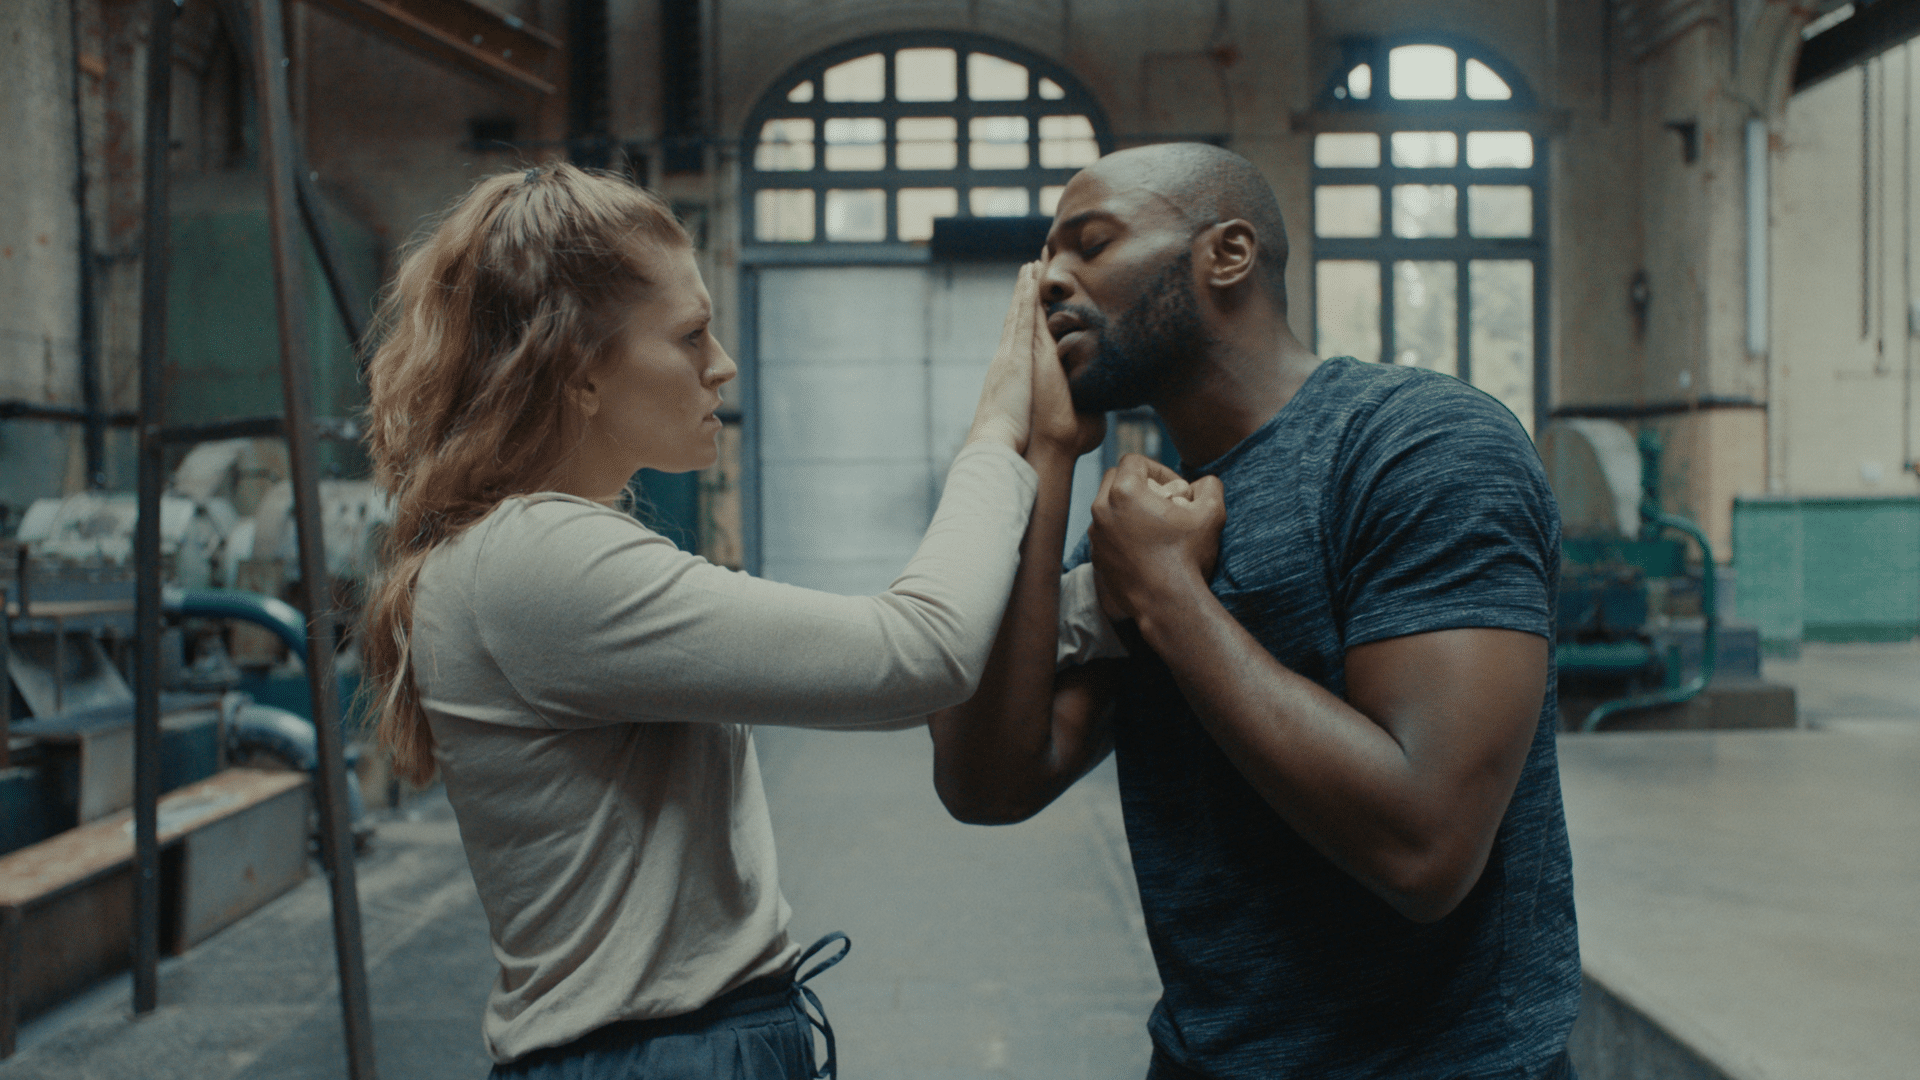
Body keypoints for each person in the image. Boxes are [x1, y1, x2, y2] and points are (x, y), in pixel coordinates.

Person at [356, 163, 1098, 1079]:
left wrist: (1106, 602)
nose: (723, 364)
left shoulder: (537, 549)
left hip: (677, 1044)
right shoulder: (536, 558)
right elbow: (920, 654)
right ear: (580, 371)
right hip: (655, 1057)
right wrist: (997, 430)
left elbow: (918, 639)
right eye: (690, 335)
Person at [930, 143, 1581, 1079]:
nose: (1048, 283)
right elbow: (987, 782)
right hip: (1201, 1061)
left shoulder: (1418, 445)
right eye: (1044, 258)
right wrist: (1045, 454)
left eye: (1091, 243)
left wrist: (1168, 594)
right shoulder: (1147, 518)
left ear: (1227, 254)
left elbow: (1425, 849)